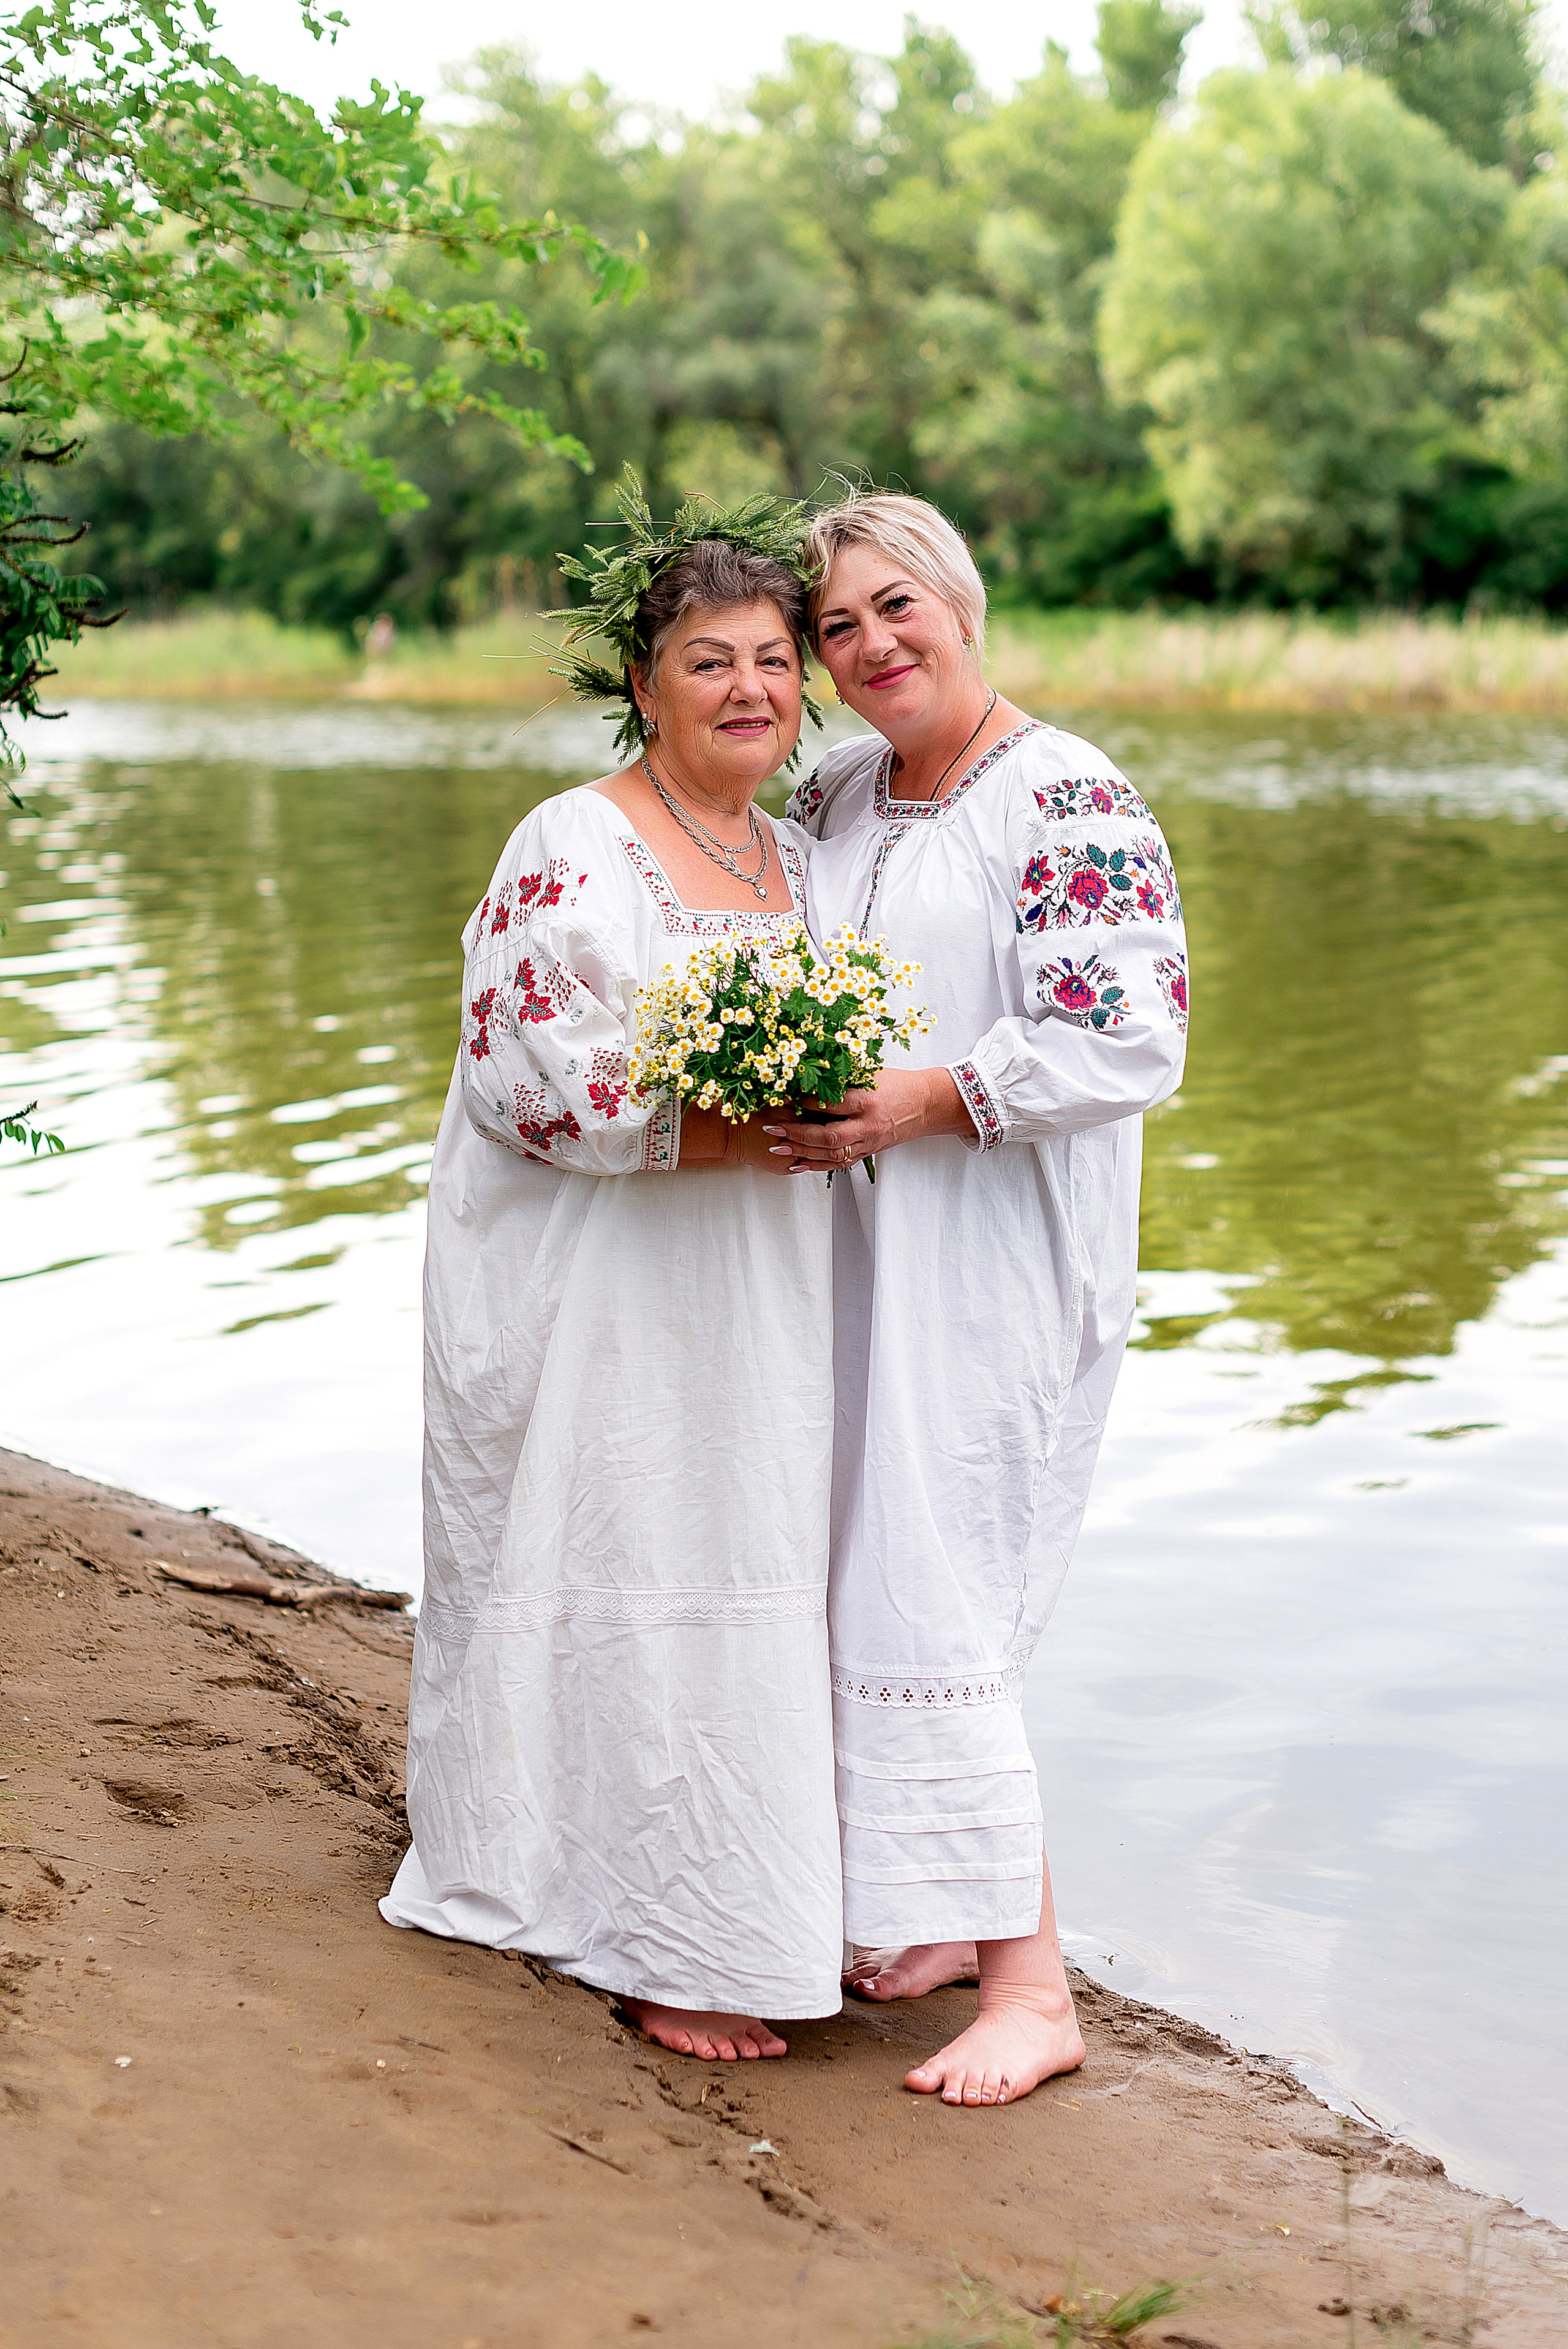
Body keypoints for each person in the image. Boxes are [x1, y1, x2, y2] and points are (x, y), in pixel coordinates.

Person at [381, 483, 842, 2062]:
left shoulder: (795, 854)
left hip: (755, 1286)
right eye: (710, 659)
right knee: (621, 1548)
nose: (750, 689)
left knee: (745, 1552)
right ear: (644, 684)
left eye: (777, 659)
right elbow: (524, 1071)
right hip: (595, 1289)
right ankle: (632, 1921)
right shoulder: (574, 841)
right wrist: (698, 1132)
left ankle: (747, 1898)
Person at [767, 491, 1189, 2108]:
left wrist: (929, 1097)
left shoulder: (1066, 793)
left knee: (939, 1572)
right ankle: (939, 1917)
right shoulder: (839, 791)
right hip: (861, 1247)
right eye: (837, 628)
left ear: (961, 599)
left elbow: (1130, 1039)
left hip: (999, 1256)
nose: (871, 647)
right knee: (855, 1560)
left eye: (895, 607)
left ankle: (1036, 1985)